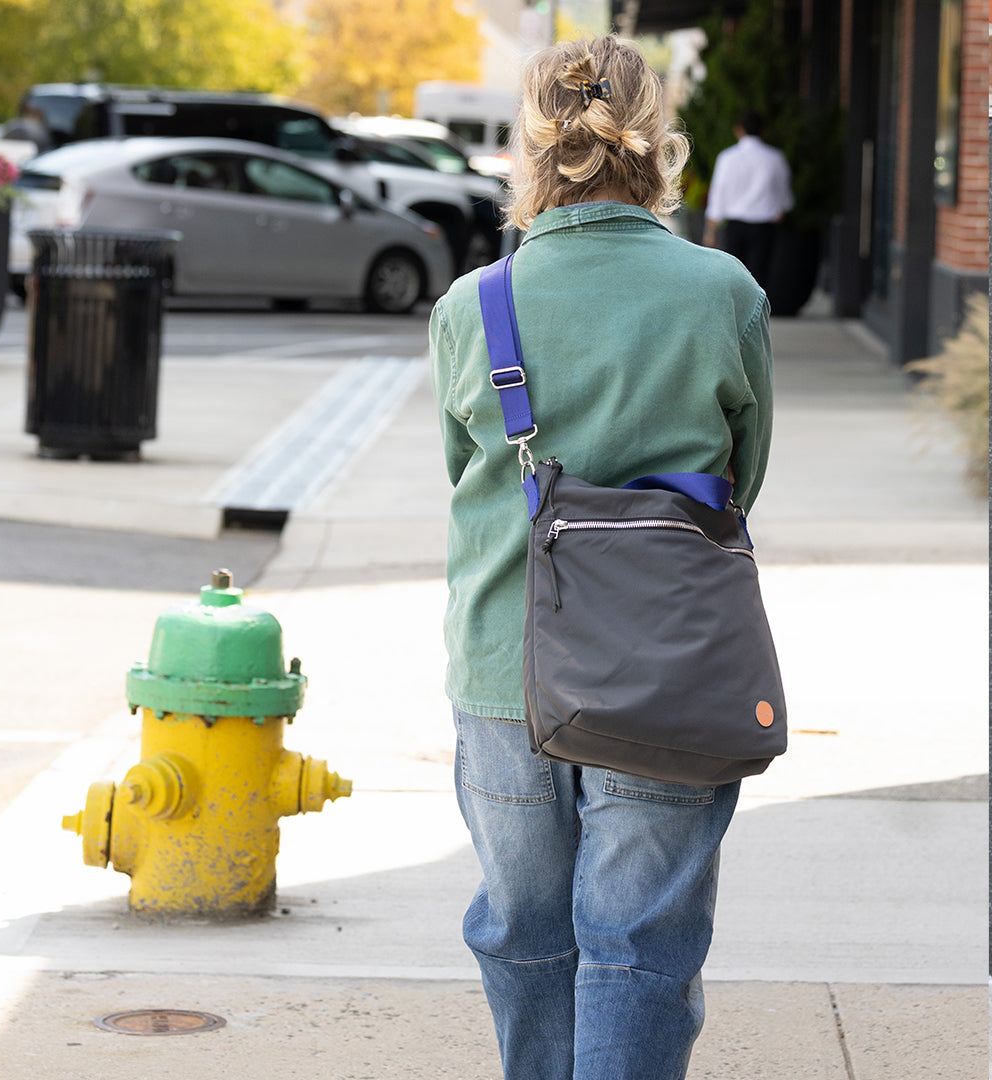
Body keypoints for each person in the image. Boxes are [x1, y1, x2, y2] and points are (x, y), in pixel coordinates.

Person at [429, 35, 774, 1080]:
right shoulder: (724, 293)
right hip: (672, 667)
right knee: (638, 948)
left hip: (507, 671)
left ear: (530, 148)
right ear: (659, 140)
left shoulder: (471, 308)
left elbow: (463, 476)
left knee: (523, 933)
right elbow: (740, 480)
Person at [703, 109, 793, 288]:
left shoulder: (727, 157)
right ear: (763, 131)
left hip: (735, 224)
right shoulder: (775, 158)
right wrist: (780, 210)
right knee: (760, 276)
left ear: (738, 130)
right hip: (763, 226)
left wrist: (711, 230)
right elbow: (784, 195)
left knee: (734, 274)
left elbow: (718, 193)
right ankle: (757, 315)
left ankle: (738, 315)